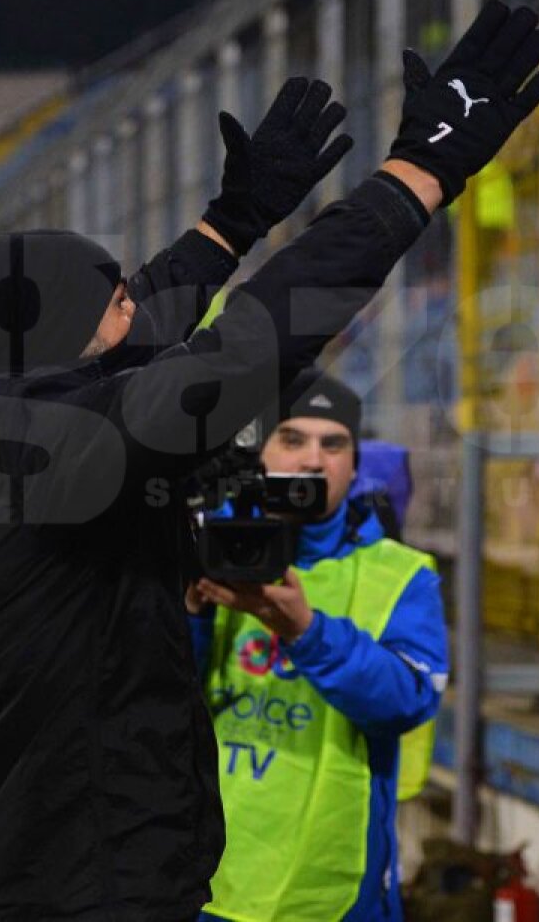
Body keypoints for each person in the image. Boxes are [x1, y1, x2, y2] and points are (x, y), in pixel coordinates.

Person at [0, 0, 539, 921]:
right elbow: (243, 344)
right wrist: (417, 175)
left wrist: (230, 222)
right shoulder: (67, 455)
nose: (137, 313)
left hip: (11, 864)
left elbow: (136, 332)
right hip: (86, 885)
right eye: (112, 303)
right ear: (64, 344)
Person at [184, 368, 447, 922]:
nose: (311, 461)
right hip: (206, 878)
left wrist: (306, 631)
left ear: (354, 465)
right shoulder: (205, 550)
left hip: (334, 888)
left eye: (333, 445)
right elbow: (150, 699)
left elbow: (409, 699)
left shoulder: (403, 575)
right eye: (293, 439)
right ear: (260, 454)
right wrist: (192, 613)